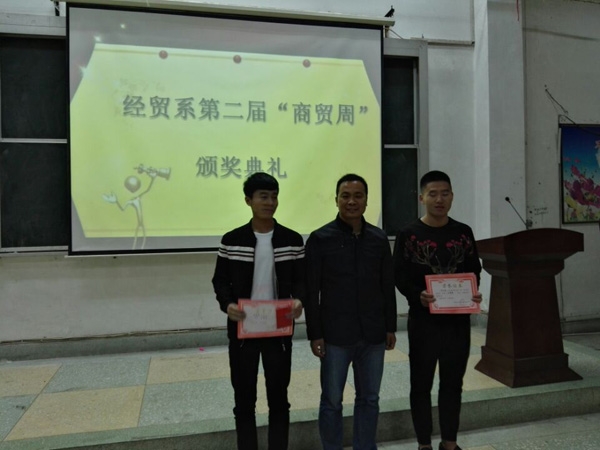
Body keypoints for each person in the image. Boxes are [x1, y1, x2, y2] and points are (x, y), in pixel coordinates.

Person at [212, 172, 305, 450]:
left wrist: (299, 300)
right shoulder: (232, 240)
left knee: (279, 400)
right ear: (248, 200)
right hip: (244, 331)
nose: (270, 202)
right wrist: (228, 304)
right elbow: (220, 280)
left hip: (279, 330)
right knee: (244, 401)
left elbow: (302, 280)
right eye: (263, 197)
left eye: (274, 197)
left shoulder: (291, 239)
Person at [304, 173, 397, 450]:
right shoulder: (320, 239)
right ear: (336, 200)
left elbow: (387, 286)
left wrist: (390, 327)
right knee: (332, 401)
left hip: (373, 334)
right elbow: (311, 291)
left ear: (367, 201)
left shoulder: (379, 239)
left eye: (358, 196)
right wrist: (315, 333)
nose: (352, 201)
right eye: (345, 196)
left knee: (369, 399)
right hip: (335, 336)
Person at [393, 170, 483, 450]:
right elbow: (399, 275)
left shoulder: (463, 232)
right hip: (424, 322)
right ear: (422, 198)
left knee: (453, 384)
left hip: (457, 322)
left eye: (445, 193)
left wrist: (472, 292)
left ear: (452, 197)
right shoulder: (408, 234)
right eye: (433, 194)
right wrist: (416, 295)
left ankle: (450, 442)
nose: (439, 199)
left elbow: (474, 270)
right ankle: (424, 444)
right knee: (421, 384)